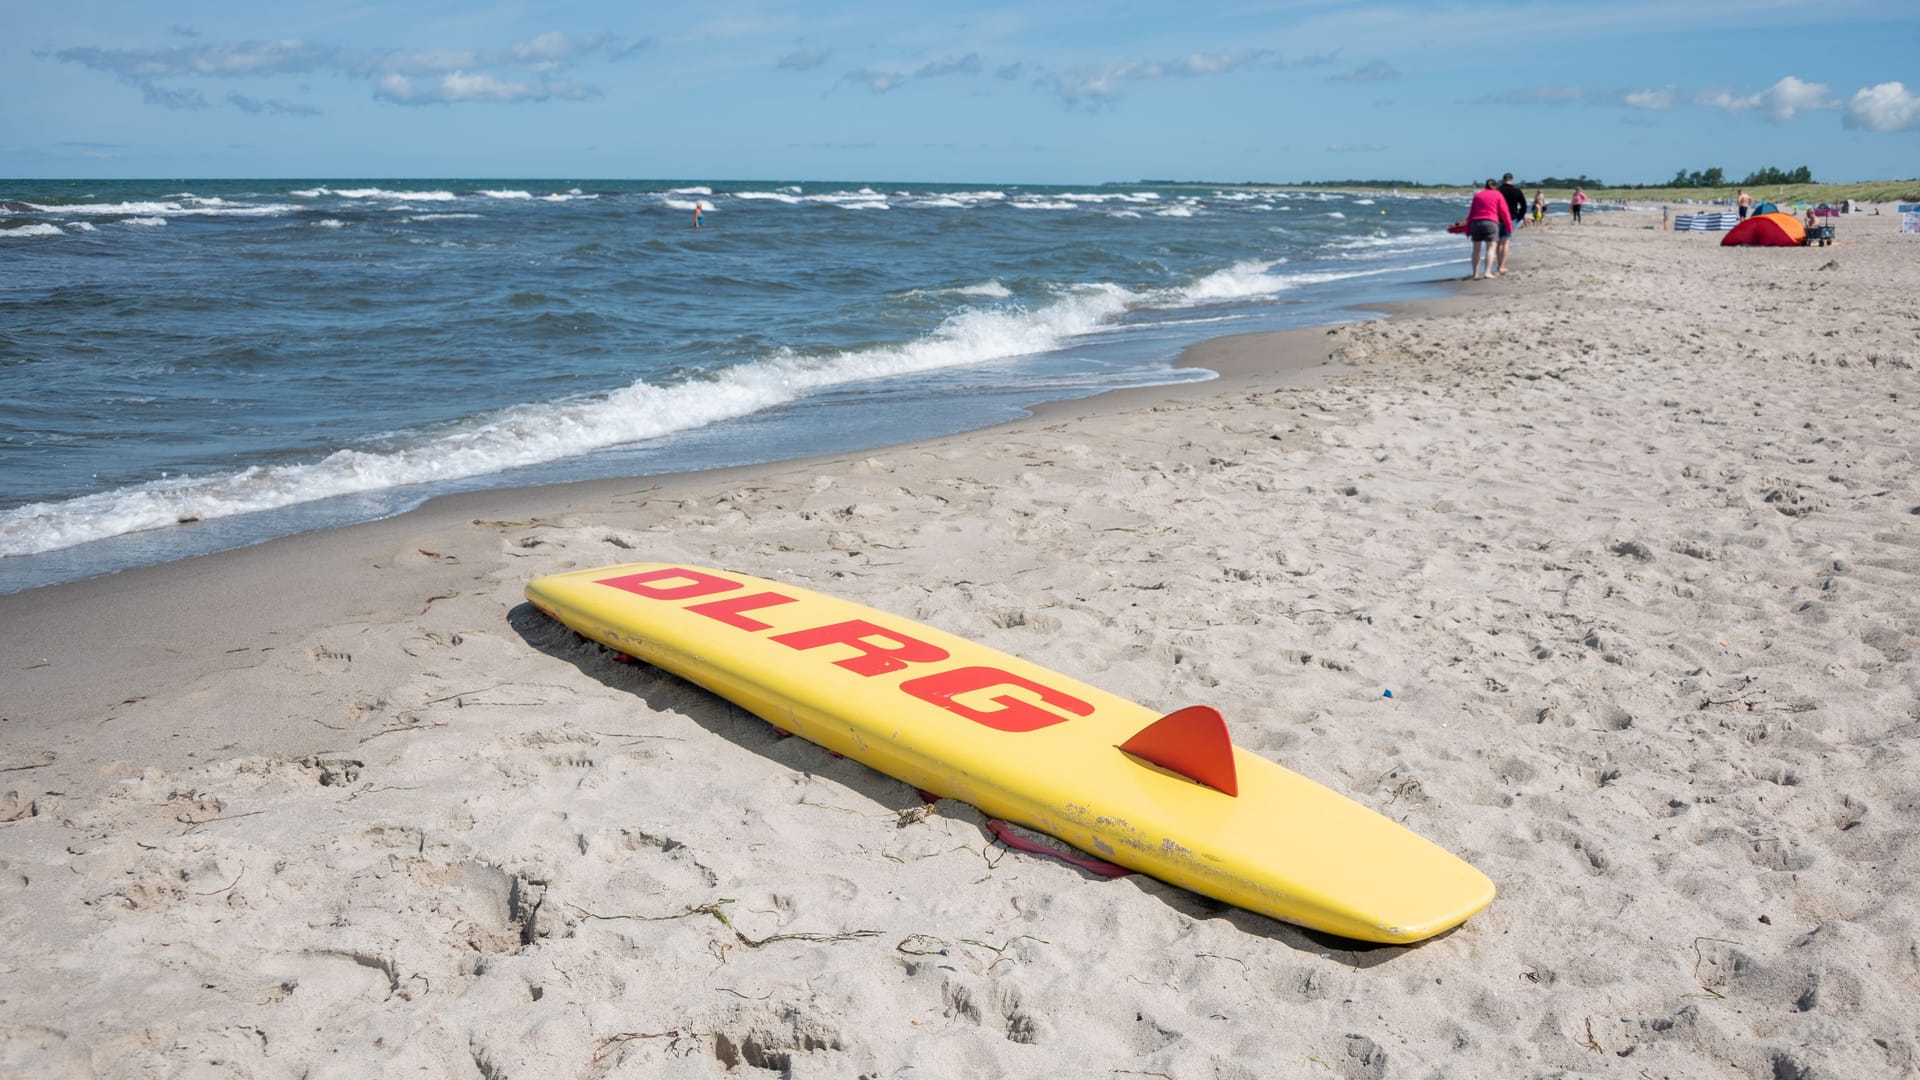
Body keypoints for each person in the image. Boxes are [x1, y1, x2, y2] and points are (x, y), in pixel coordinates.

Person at [1464, 179, 1511, 280]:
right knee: (1491, 248)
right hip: (1491, 222)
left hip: (1475, 223)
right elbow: (1504, 212)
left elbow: (1471, 213)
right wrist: (1509, 227)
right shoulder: (1498, 195)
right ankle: (1487, 272)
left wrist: (1467, 229)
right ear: (1495, 186)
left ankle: (1475, 273)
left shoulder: (1478, 195)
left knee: (1476, 250)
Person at [1496, 172, 1527, 274]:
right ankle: (1502, 266)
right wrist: (1519, 217)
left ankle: (1498, 264)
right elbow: (1524, 206)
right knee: (1506, 242)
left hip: (1498, 218)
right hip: (1511, 218)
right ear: (1512, 179)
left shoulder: (1498, 190)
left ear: (1503, 179)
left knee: (1499, 242)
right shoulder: (1517, 191)